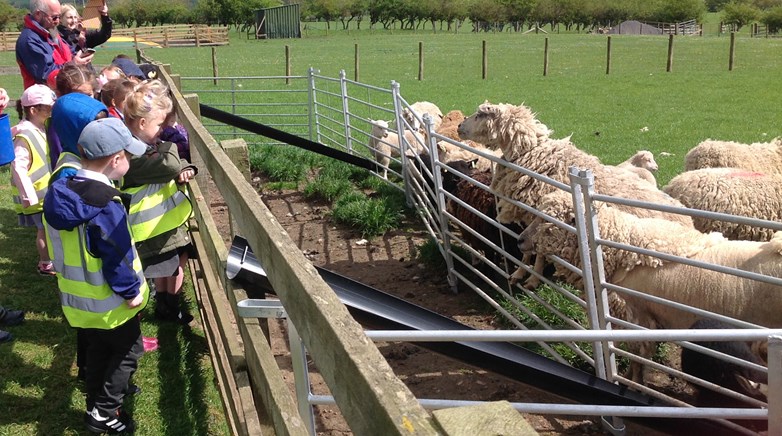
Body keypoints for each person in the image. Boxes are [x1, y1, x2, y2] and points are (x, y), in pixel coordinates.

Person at [43, 117, 148, 434]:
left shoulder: (61, 191)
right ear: (116, 160)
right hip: (110, 301)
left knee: (98, 350)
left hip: (78, 301)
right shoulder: (106, 205)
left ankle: (94, 402)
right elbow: (115, 255)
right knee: (128, 351)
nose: (129, 160)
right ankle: (102, 414)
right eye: (128, 156)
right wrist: (131, 292)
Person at [122, 79, 196, 324]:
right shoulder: (133, 154)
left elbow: (172, 166)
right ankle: (169, 308)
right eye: (159, 124)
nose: (163, 129)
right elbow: (169, 164)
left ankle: (165, 306)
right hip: (154, 226)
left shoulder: (141, 146)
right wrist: (173, 149)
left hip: (162, 223)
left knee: (171, 265)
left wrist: (186, 167)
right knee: (173, 267)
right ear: (142, 123)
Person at [11, 84, 57, 276]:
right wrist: (28, 194)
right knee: (43, 230)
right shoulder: (24, 134)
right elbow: (18, 167)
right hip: (36, 194)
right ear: (33, 109)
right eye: (48, 108)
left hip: (44, 192)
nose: (52, 111)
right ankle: (45, 263)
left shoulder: (41, 128)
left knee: (47, 228)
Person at [16, 0, 93, 89]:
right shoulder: (29, 40)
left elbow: (67, 52)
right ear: (38, 14)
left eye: (59, 17)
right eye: (54, 17)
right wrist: (73, 64)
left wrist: (80, 56)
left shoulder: (50, 30)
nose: (57, 21)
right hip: (45, 98)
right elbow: (46, 75)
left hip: (63, 91)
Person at [50, 91, 108, 182]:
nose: (104, 133)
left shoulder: (92, 156)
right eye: (97, 129)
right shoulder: (69, 173)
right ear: (77, 132)